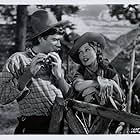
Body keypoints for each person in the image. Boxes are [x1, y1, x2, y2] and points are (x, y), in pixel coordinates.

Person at [0, 9, 69, 134]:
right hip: (32, 129)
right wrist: (28, 74)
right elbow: (2, 97)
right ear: (41, 38)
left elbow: (70, 97)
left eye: (60, 40)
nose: (59, 44)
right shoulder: (18, 59)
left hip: (59, 126)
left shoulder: (58, 62)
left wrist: (59, 77)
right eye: (55, 40)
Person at [69, 32, 126, 134]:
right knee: (88, 91)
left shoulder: (109, 71)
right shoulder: (80, 72)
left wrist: (111, 82)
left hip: (111, 121)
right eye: (80, 52)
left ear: (96, 50)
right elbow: (78, 86)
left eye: (87, 50)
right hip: (85, 120)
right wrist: (98, 82)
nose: (83, 55)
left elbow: (120, 97)